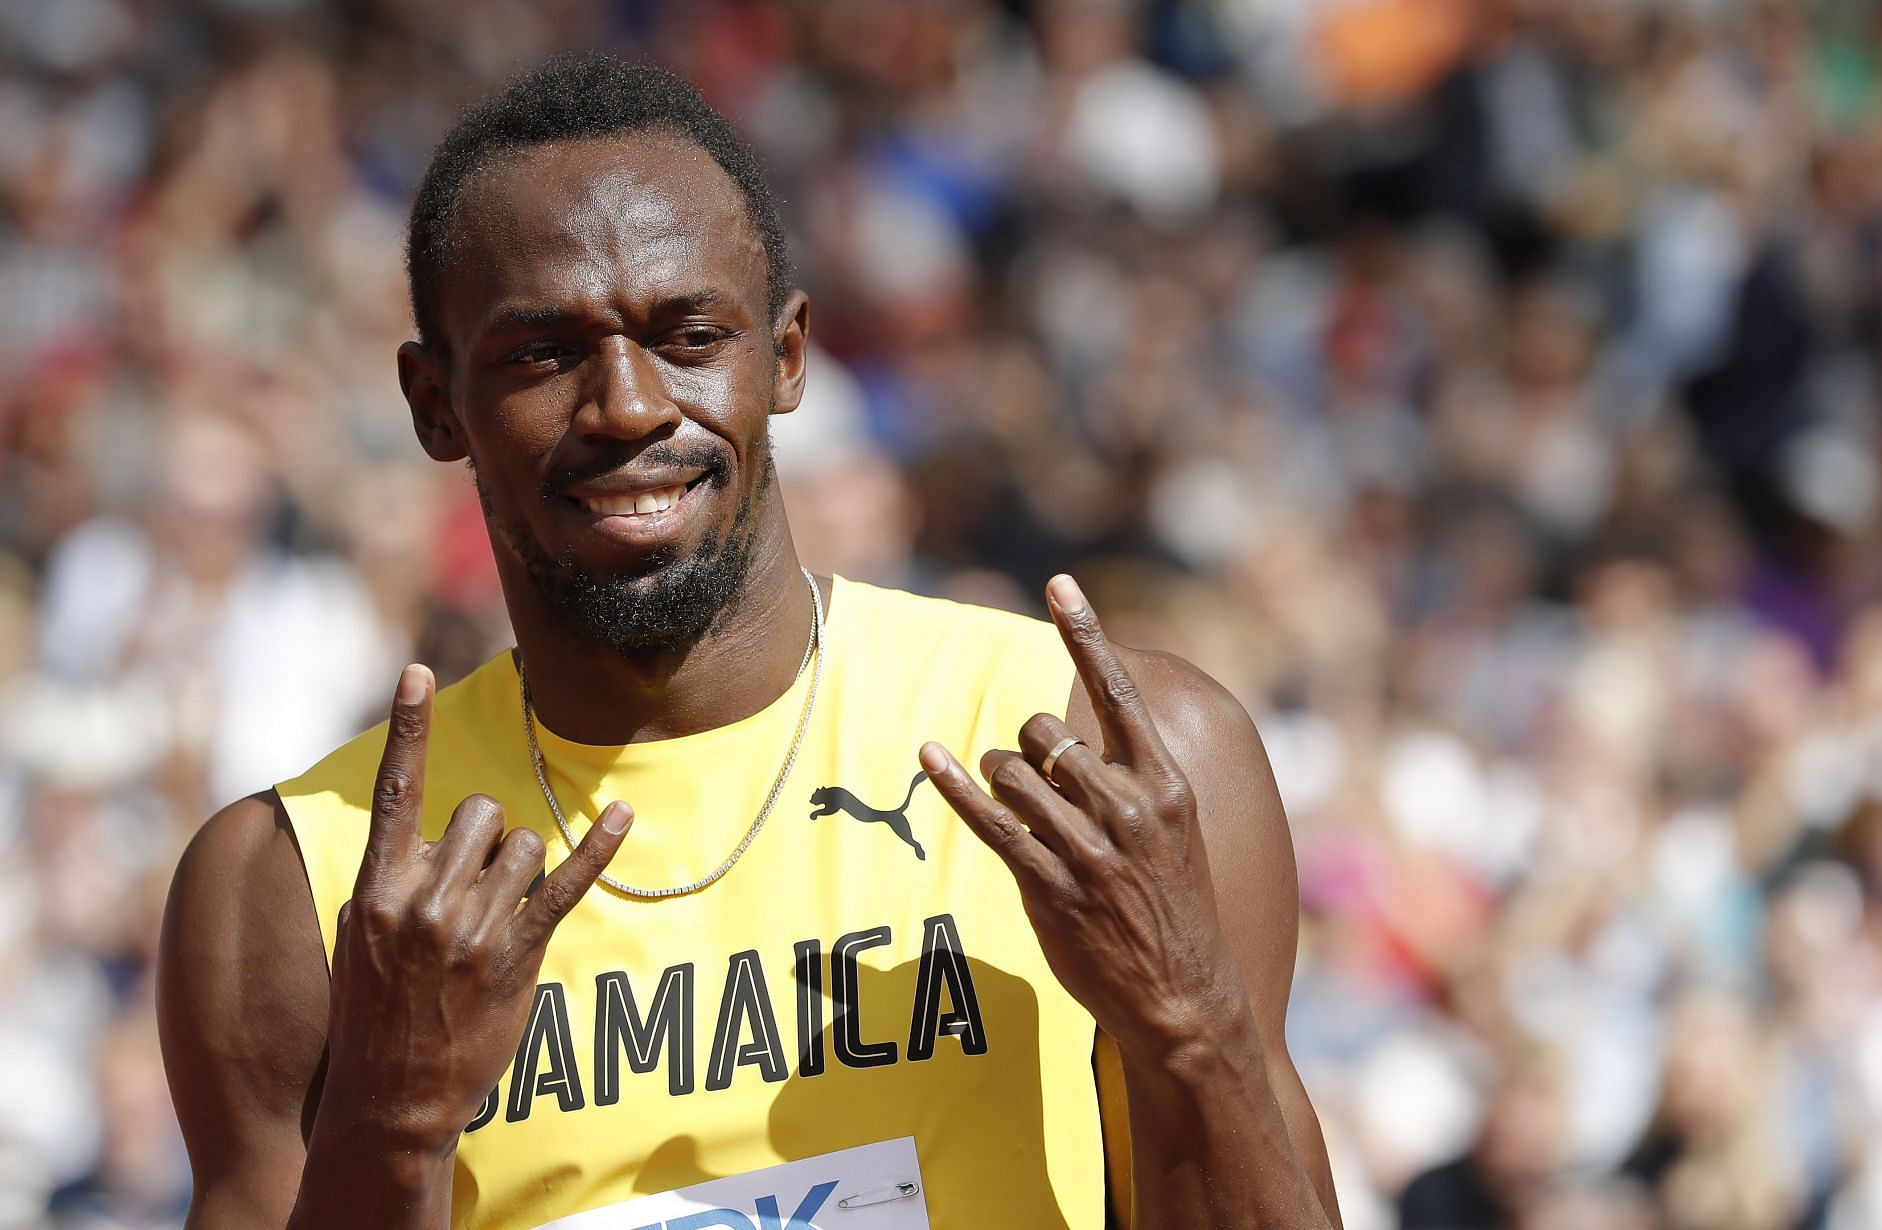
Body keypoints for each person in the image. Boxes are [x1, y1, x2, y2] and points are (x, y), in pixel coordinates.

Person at [154, 54, 1341, 1230]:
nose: (625, 404)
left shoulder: (1109, 762)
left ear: (784, 356)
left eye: (687, 334)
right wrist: (391, 1119)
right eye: (542, 352)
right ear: (432, 402)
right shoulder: (298, 884)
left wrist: (1193, 1030)